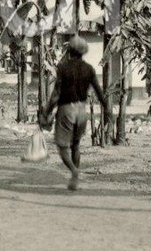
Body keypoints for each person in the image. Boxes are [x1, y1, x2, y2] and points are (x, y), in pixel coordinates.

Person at [39, 36, 108, 191]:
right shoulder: (89, 69)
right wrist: (107, 108)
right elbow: (98, 90)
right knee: (75, 146)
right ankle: (74, 177)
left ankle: (74, 171)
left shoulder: (63, 68)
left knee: (62, 146)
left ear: (69, 51)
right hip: (82, 111)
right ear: (83, 52)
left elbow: (56, 93)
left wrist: (47, 111)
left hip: (66, 109)